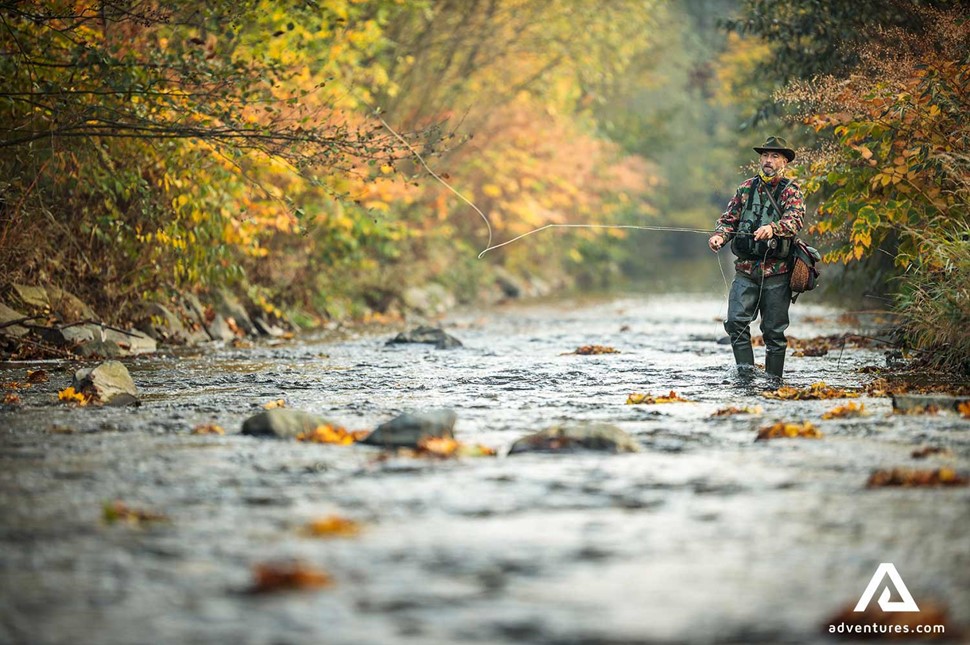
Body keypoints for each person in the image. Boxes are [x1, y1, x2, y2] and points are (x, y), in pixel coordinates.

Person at [708, 136, 805, 379]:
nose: (768, 161)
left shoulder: (791, 191)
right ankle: (746, 375)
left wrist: (773, 229)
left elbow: (794, 221)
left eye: (774, 156)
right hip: (746, 270)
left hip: (778, 273)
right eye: (765, 156)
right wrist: (720, 236)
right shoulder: (745, 188)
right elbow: (729, 220)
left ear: (784, 161)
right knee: (735, 323)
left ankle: (774, 381)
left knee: (774, 333)